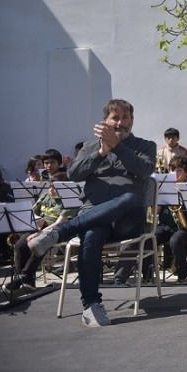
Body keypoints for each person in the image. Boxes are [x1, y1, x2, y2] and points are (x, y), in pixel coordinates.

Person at [29, 99, 156, 327]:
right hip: (93, 214)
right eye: (115, 118)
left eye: (125, 117)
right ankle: (90, 305)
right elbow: (74, 174)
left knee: (128, 198)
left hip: (129, 219)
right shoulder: (89, 147)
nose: (120, 122)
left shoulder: (146, 146)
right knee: (91, 233)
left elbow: (144, 170)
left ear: (132, 120)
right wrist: (99, 153)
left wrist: (117, 146)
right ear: (105, 121)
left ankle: (60, 232)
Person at [3, 171, 78, 295]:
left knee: (39, 244)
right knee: (20, 246)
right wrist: (37, 221)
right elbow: (33, 212)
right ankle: (29, 283)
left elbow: (59, 223)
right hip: (39, 227)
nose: (51, 190)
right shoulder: (45, 196)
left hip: (57, 230)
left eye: (54, 187)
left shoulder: (69, 199)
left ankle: (23, 277)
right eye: (50, 186)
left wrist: (40, 232)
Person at [156, 155, 187, 283]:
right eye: (172, 170)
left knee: (175, 240)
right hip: (165, 226)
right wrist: (158, 199)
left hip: (185, 228)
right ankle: (147, 276)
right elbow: (155, 213)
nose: (174, 173)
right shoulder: (163, 187)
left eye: (179, 170)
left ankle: (182, 276)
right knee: (150, 237)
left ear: (186, 173)